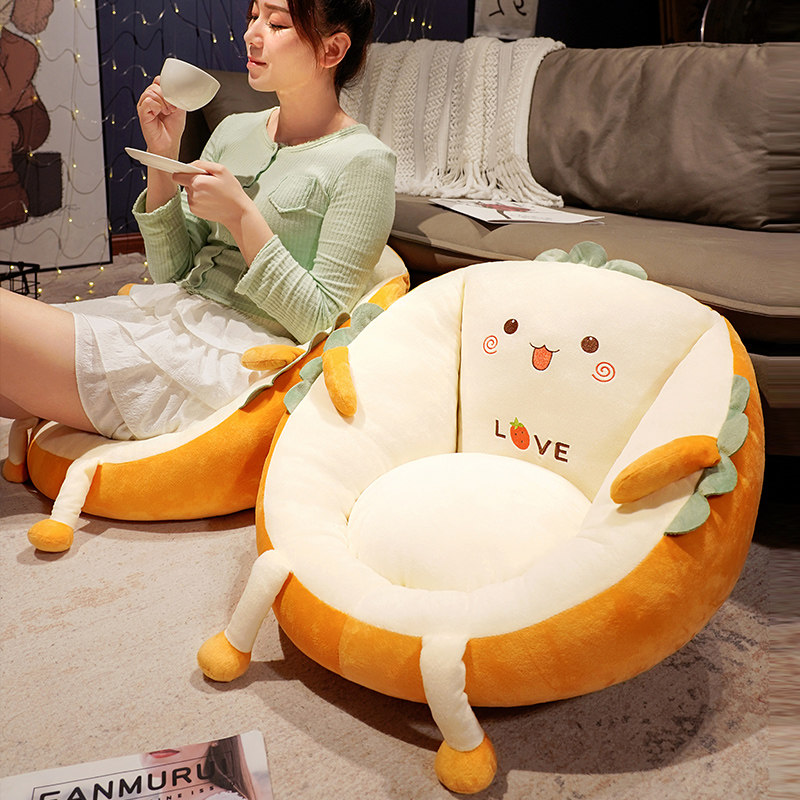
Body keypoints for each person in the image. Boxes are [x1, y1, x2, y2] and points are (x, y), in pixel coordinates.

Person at [0, 0, 395, 440]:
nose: (251, 34)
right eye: (253, 17)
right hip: (172, 316)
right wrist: (164, 156)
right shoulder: (233, 130)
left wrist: (241, 217)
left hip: (231, 358)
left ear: (332, 50)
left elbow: (324, 325)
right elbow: (172, 275)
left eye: (277, 23)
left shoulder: (365, 162)